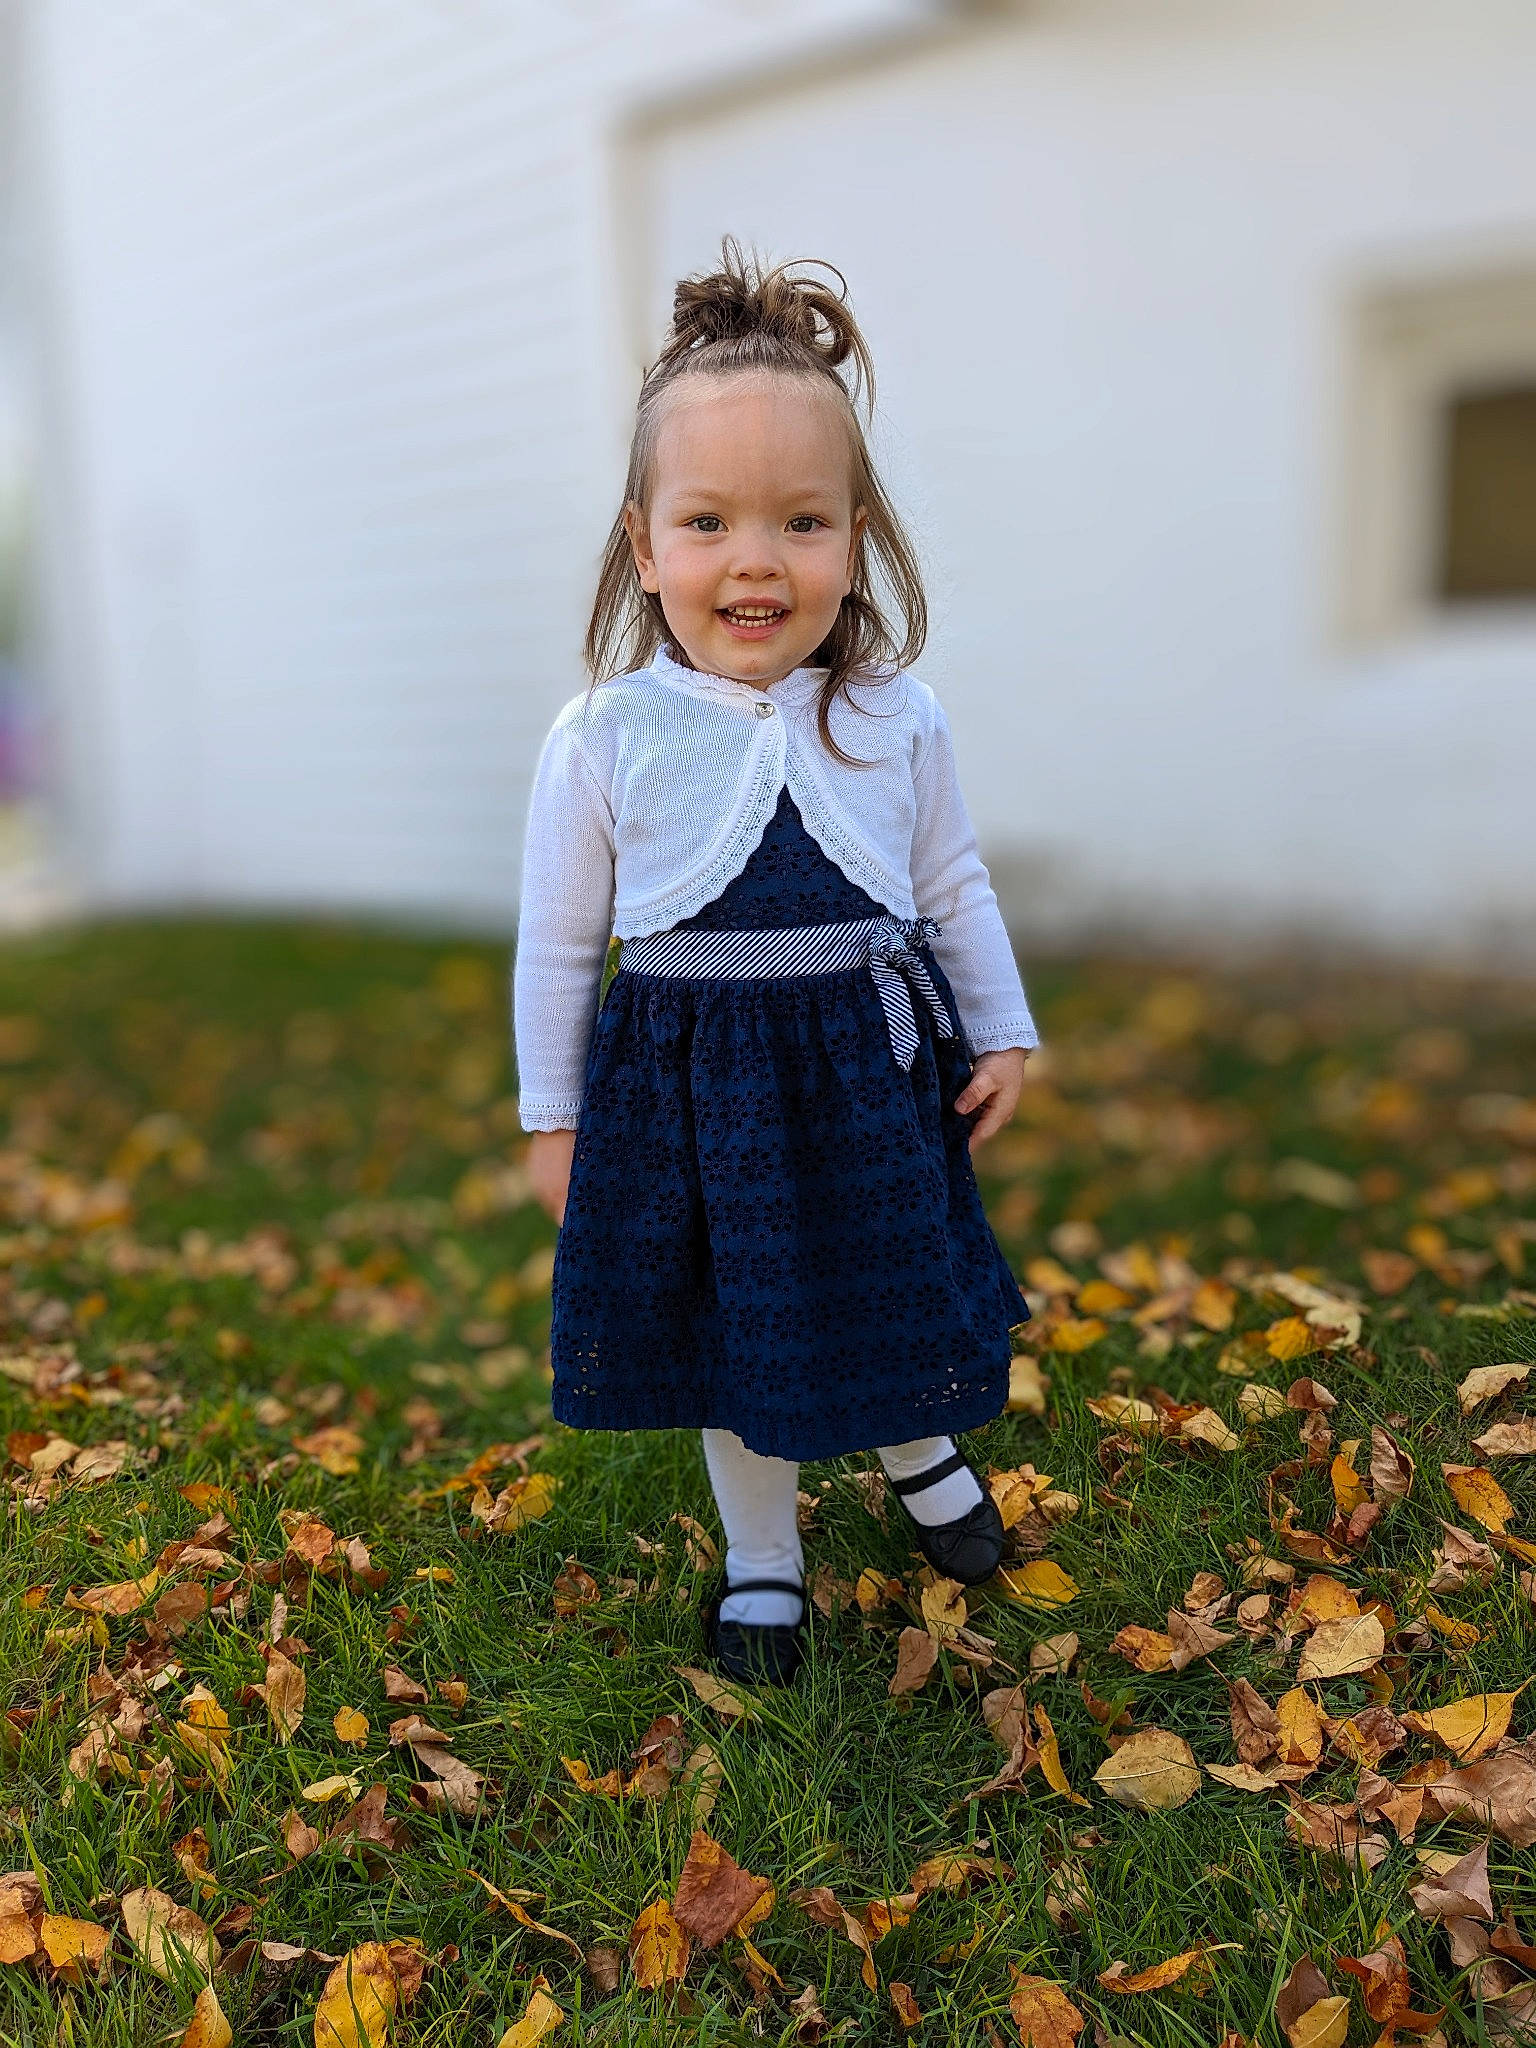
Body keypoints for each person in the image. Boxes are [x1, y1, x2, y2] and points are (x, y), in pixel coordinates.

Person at [513, 239, 1037, 1687]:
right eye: (710, 522)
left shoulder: (895, 716)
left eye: (803, 521)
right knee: (745, 1330)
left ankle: (920, 1451)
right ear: (645, 546)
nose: (758, 559)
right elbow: (559, 946)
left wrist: (1003, 1030)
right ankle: (764, 1559)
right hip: (699, 1103)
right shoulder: (608, 739)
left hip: (870, 1075)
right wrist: (553, 1122)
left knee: (875, 1285)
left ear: (855, 536)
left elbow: (952, 882)